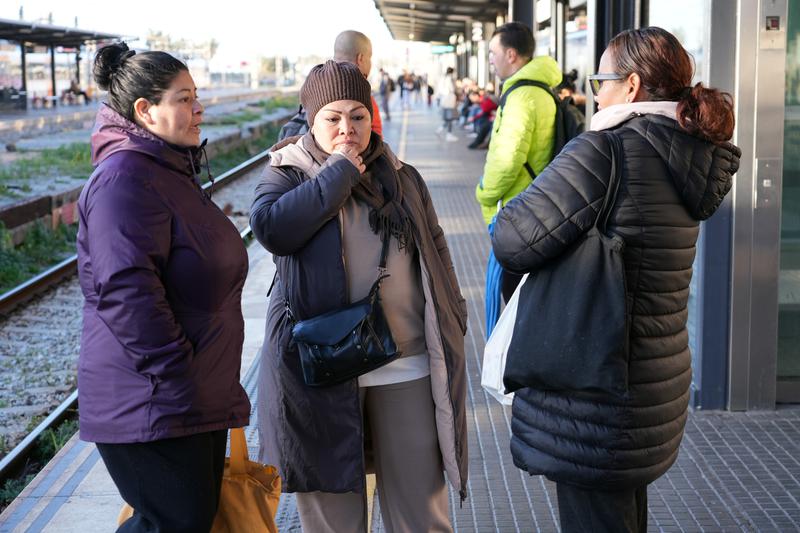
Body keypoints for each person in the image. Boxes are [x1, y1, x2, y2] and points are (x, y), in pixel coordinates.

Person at [491, 27, 741, 533]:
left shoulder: (605, 151)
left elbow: (513, 237)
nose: (594, 91)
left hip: (594, 388)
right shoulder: (687, 151)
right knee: (622, 513)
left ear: (629, 86)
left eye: (600, 79)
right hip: (653, 379)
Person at [251, 60, 468, 532]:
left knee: (422, 512)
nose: (347, 129)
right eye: (333, 118)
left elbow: (436, 247)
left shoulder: (400, 175)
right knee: (335, 520)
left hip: (404, 362)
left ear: (372, 117)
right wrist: (337, 173)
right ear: (311, 120)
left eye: (358, 115)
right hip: (319, 366)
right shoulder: (289, 172)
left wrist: (456, 313)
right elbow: (272, 228)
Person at [77, 42, 251, 532]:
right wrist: (182, 377)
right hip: (156, 399)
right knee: (174, 524)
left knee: (185, 523)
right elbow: (128, 293)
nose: (199, 109)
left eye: (196, 96)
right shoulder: (124, 180)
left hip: (186, 395)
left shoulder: (166, 170)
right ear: (144, 110)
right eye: (184, 98)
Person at [475, 21, 562, 302]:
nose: (490, 59)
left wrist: (484, 193)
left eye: (493, 52)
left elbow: (507, 158)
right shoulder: (540, 89)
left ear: (511, 55)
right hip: (535, 207)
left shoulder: (522, 96)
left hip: (516, 214)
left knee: (514, 302)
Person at [278, 30, 382, 140]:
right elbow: (376, 142)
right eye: (370, 57)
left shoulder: (315, 83)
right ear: (360, 58)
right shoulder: (362, 97)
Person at [436, 67, 458, 142]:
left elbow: (439, 89)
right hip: (449, 99)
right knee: (450, 117)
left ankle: (440, 129)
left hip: (443, 99)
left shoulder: (443, 78)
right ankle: (449, 134)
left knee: (447, 118)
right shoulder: (449, 79)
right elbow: (452, 89)